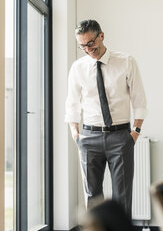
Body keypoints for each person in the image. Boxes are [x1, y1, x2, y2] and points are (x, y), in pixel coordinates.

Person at [65, 19, 147, 219]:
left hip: (120, 136)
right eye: (82, 45)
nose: (87, 49)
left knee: (123, 197)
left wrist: (134, 132)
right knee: (92, 198)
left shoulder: (126, 61)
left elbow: (139, 100)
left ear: (101, 36)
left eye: (90, 43)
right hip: (89, 137)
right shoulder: (78, 67)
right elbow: (72, 103)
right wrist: (76, 135)